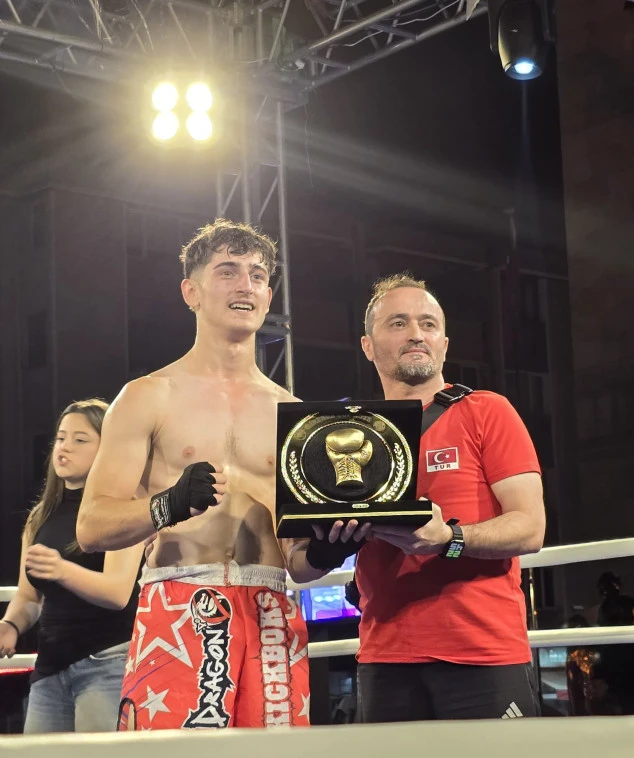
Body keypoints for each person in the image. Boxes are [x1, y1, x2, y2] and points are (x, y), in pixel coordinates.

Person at [76, 220, 313, 731]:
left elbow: (299, 562)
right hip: (178, 604)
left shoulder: (293, 414)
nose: (245, 285)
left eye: (257, 275)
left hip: (270, 614)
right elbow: (91, 527)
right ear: (191, 292)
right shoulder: (147, 396)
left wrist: (330, 549)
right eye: (227, 271)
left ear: (268, 297)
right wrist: (168, 504)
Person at [287, 273, 546, 722]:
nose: (416, 334)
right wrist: (330, 549)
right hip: (385, 657)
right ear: (368, 345)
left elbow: (531, 527)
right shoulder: (345, 433)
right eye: (398, 323)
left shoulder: (487, 410)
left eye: (428, 324)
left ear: (444, 343)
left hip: (483, 652)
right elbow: (299, 567)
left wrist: (450, 539)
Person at [0, 399, 142, 733]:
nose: (64, 447)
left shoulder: (124, 511)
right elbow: (29, 597)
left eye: (80, 440)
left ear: (106, 449)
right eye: (61, 438)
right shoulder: (41, 517)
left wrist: (63, 570)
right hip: (50, 667)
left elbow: (117, 593)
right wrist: (11, 624)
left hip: (105, 662)